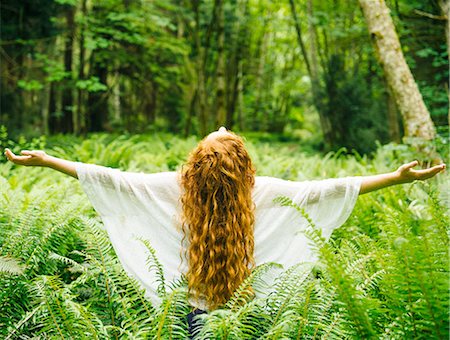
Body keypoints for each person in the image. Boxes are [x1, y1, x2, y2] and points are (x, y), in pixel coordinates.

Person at [4, 127, 446, 336]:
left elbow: (110, 178)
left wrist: (48, 162)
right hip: (246, 316)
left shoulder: (174, 188)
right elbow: (334, 188)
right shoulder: (264, 192)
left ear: (197, 165)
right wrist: (397, 178)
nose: (220, 127)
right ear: (243, 165)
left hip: (188, 319)